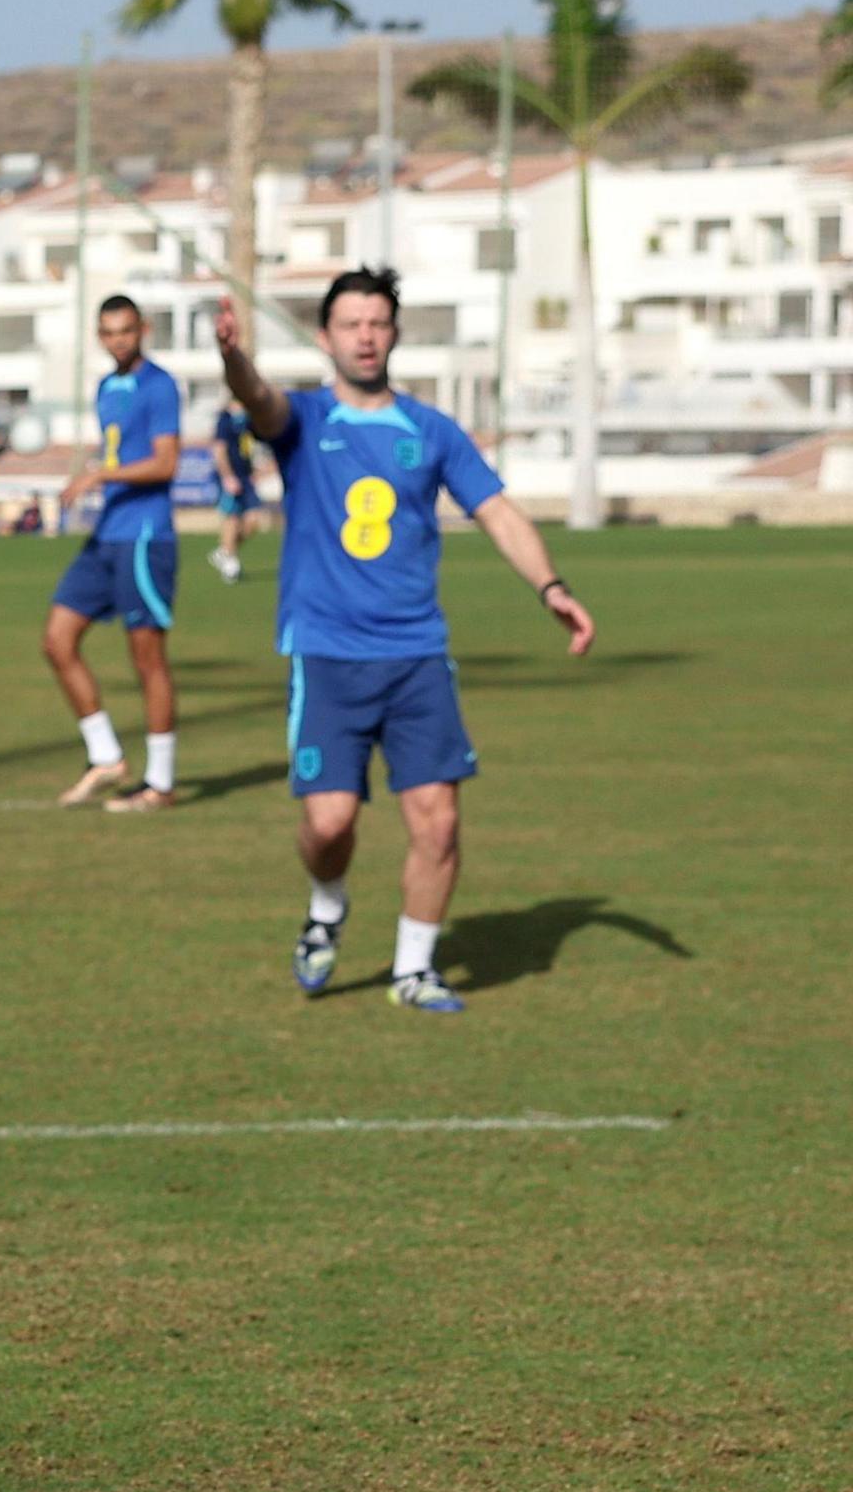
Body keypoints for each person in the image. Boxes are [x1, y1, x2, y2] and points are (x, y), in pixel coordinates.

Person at [216, 275, 593, 1011]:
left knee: (439, 820)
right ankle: (327, 906)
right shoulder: (305, 420)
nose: (365, 335)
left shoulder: (432, 430)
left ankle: (413, 969)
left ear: (394, 334)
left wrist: (552, 587)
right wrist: (233, 358)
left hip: (417, 654)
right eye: (350, 322)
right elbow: (259, 399)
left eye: (378, 322)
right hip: (326, 654)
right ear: (324, 337)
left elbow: (499, 513)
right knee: (328, 825)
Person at [42, 295, 186, 812]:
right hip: (107, 534)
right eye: (107, 332)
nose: (117, 340)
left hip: (145, 537)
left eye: (125, 330)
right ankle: (105, 757)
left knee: (147, 659)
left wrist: (100, 475)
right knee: (58, 641)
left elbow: (166, 463)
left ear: (143, 329)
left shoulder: (160, 386)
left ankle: (161, 783)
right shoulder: (106, 386)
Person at [207, 390, 267, 581]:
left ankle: (224, 551)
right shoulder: (225, 419)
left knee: (253, 520)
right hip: (230, 476)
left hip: (246, 476)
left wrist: (255, 470)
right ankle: (230, 563)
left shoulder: (249, 419)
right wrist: (227, 476)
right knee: (232, 517)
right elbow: (219, 449)